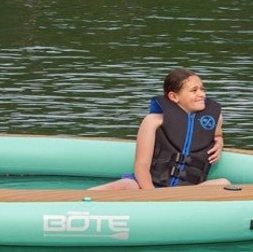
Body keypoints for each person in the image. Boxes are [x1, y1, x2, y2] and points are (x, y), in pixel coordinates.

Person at [91, 68, 231, 190]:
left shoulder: (215, 119)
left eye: (202, 89)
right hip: (148, 186)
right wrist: (152, 196)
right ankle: (76, 201)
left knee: (223, 183)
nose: (202, 94)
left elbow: (217, 135)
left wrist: (219, 141)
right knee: (123, 185)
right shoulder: (153, 122)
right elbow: (141, 167)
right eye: (194, 90)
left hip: (188, 191)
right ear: (174, 96)